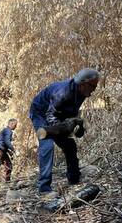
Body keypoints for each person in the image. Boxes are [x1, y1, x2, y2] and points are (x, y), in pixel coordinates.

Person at [28, 68, 99, 197]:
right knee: (47, 144)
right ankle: (44, 188)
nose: (94, 89)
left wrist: (77, 125)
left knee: (70, 145)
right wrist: (61, 130)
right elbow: (50, 115)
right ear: (83, 83)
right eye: (93, 85)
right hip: (41, 113)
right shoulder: (62, 93)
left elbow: (71, 112)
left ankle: (74, 180)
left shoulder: (81, 93)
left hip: (55, 115)